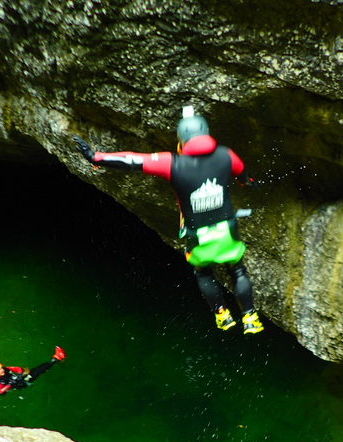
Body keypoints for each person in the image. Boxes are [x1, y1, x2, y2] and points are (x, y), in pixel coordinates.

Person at [73, 106, 264, 334]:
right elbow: (245, 177)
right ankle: (250, 317)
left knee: (203, 273)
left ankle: (222, 314)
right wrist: (251, 183)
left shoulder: (172, 163)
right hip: (227, 229)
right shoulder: (226, 155)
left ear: (182, 140)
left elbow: (133, 161)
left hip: (198, 235)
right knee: (237, 271)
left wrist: (97, 157)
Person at [0, 346, 66, 395]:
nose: (2, 371)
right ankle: (56, 358)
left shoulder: (5, 369)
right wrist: (10, 384)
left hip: (19, 378)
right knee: (37, 371)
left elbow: (18, 369)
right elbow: (0, 391)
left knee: (36, 370)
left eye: (1, 368)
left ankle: (54, 360)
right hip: (20, 383)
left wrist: (20, 374)